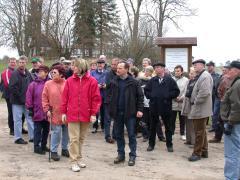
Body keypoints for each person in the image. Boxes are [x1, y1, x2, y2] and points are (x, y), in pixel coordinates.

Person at [61, 58, 101, 172]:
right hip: (72, 114)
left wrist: (93, 113)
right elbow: (64, 98)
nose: (73, 68)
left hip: (86, 114)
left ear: (82, 67)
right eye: (73, 66)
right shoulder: (69, 81)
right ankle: (73, 161)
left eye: (76, 66)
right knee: (74, 139)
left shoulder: (92, 81)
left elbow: (96, 99)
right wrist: (64, 112)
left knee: (81, 139)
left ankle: (78, 158)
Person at [106, 61, 144, 166]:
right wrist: (110, 108)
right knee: (118, 135)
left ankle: (132, 156)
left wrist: (140, 110)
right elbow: (108, 95)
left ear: (126, 69)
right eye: (117, 68)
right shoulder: (114, 81)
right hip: (117, 113)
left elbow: (140, 97)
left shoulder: (134, 82)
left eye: (120, 68)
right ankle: (121, 155)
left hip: (130, 113)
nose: (117, 70)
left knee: (131, 135)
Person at [145, 62, 180, 152]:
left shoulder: (170, 80)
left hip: (166, 106)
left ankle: (169, 145)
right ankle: (151, 144)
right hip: (154, 106)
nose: (157, 69)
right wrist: (151, 95)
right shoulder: (152, 80)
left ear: (163, 69)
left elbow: (176, 91)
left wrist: (167, 96)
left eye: (159, 67)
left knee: (168, 127)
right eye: (155, 68)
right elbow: (146, 91)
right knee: (152, 127)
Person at [186, 59, 213, 161]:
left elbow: (205, 92)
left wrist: (195, 101)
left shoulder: (205, 76)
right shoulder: (201, 75)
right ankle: (204, 150)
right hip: (200, 108)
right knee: (202, 131)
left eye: (196, 65)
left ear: (202, 65)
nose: (194, 67)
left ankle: (197, 153)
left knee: (199, 132)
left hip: (200, 108)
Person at [42, 65, 69, 161]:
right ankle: (53, 151)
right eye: (52, 72)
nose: (52, 74)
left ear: (61, 74)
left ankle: (65, 149)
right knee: (56, 132)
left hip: (66, 112)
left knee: (66, 131)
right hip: (54, 112)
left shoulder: (67, 83)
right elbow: (44, 98)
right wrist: (46, 109)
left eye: (55, 72)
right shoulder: (48, 84)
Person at [220, 60, 240, 180]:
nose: (228, 71)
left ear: (237, 71)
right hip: (236, 122)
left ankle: (231, 177)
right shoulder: (236, 82)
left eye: (230, 69)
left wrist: (231, 123)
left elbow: (236, 106)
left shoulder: (237, 84)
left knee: (232, 153)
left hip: (234, 123)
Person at [8, 55, 34, 144]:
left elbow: (32, 86)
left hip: (27, 102)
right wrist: (21, 97)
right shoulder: (15, 74)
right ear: (18, 63)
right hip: (17, 102)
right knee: (18, 120)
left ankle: (32, 137)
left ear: (26, 63)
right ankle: (18, 138)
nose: (22, 64)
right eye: (20, 62)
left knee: (30, 118)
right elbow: (12, 87)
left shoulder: (28, 74)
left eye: (23, 62)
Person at [26, 65, 50, 154]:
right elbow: (28, 97)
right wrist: (30, 108)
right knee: (37, 130)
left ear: (46, 73)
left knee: (46, 130)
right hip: (37, 111)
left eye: (42, 71)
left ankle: (43, 145)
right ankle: (36, 147)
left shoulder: (49, 83)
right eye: (39, 71)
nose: (39, 72)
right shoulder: (33, 84)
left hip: (47, 112)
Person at [209, 62, 233, 143]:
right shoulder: (222, 76)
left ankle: (218, 136)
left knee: (219, 117)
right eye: (223, 70)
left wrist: (221, 97)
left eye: (225, 70)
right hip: (218, 99)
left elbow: (223, 90)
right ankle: (218, 135)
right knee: (217, 116)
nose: (223, 71)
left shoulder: (227, 78)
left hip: (222, 100)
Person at [104, 58, 120, 143]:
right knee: (107, 119)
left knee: (116, 119)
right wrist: (117, 76)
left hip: (117, 100)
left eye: (115, 64)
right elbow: (109, 85)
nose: (113, 66)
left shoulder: (121, 74)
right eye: (112, 64)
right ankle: (107, 136)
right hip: (109, 100)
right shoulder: (108, 73)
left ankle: (115, 135)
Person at [171, 65, 189, 140]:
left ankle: (182, 133)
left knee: (182, 119)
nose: (176, 72)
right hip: (173, 102)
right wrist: (174, 97)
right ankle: (171, 133)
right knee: (172, 119)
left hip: (182, 102)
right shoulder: (171, 79)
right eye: (175, 71)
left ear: (181, 72)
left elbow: (186, 90)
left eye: (178, 71)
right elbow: (169, 90)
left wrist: (182, 97)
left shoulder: (186, 80)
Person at [0, 57, 17, 135]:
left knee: (18, 112)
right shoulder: (6, 72)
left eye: (14, 62)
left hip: (16, 94)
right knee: (11, 112)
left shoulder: (16, 71)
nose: (13, 63)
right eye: (11, 62)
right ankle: (12, 129)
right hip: (9, 95)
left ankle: (19, 128)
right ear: (8, 63)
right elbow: (8, 84)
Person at [91, 57, 107, 133]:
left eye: (102, 63)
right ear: (97, 64)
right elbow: (90, 83)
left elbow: (110, 82)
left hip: (105, 95)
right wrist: (96, 86)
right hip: (96, 95)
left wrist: (106, 85)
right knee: (95, 112)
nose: (100, 65)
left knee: (104, 112)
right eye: (99, 63)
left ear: (104, 64)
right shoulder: (92, 73)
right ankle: (95, 126)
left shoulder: (107, 73)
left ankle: (103, 126)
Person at [138, 65, 154, 142]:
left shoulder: (153, 80)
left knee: (151, 121)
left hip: (151, 104)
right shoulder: (140, 80)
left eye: (147, 71)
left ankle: (151, 135)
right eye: (145, 71)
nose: (146, 72)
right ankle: (145, 135)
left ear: (151, 72)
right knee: (143, 121)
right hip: (143, 103)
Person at [182, 67, 196, 145]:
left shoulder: (196, 82)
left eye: (192, 73)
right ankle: (188, 139)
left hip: (192, 105)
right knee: (187, 122)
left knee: (192, 124)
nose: (190, 75)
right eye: (190, 73)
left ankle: (193, 141)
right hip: (186, 104)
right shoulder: (188, 81)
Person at [206, 61, 220, 132]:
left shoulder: (217, 76)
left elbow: (216, 86)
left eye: (210, 66)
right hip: (207, 96)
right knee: (208, 111)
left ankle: (214, 126)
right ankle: (209, 124)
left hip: (214, 96)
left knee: (214, 112)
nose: (208, 67)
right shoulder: (206, 75)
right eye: (208, 66)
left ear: (213, 67)